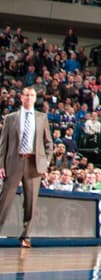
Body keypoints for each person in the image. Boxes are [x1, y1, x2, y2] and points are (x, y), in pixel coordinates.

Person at [0, 87, 53, 247]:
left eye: (32, 95)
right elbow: (3, 144)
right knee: (5, 199)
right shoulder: (10, 118)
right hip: (14, 161)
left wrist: (46, 162)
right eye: (26, 95)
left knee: (31, 201)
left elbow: (48, 143)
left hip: (34, 164)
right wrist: (1, 165)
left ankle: (25, 236)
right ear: (21, 97)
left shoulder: (42, 117)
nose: (29, 97)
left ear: (35, 98)